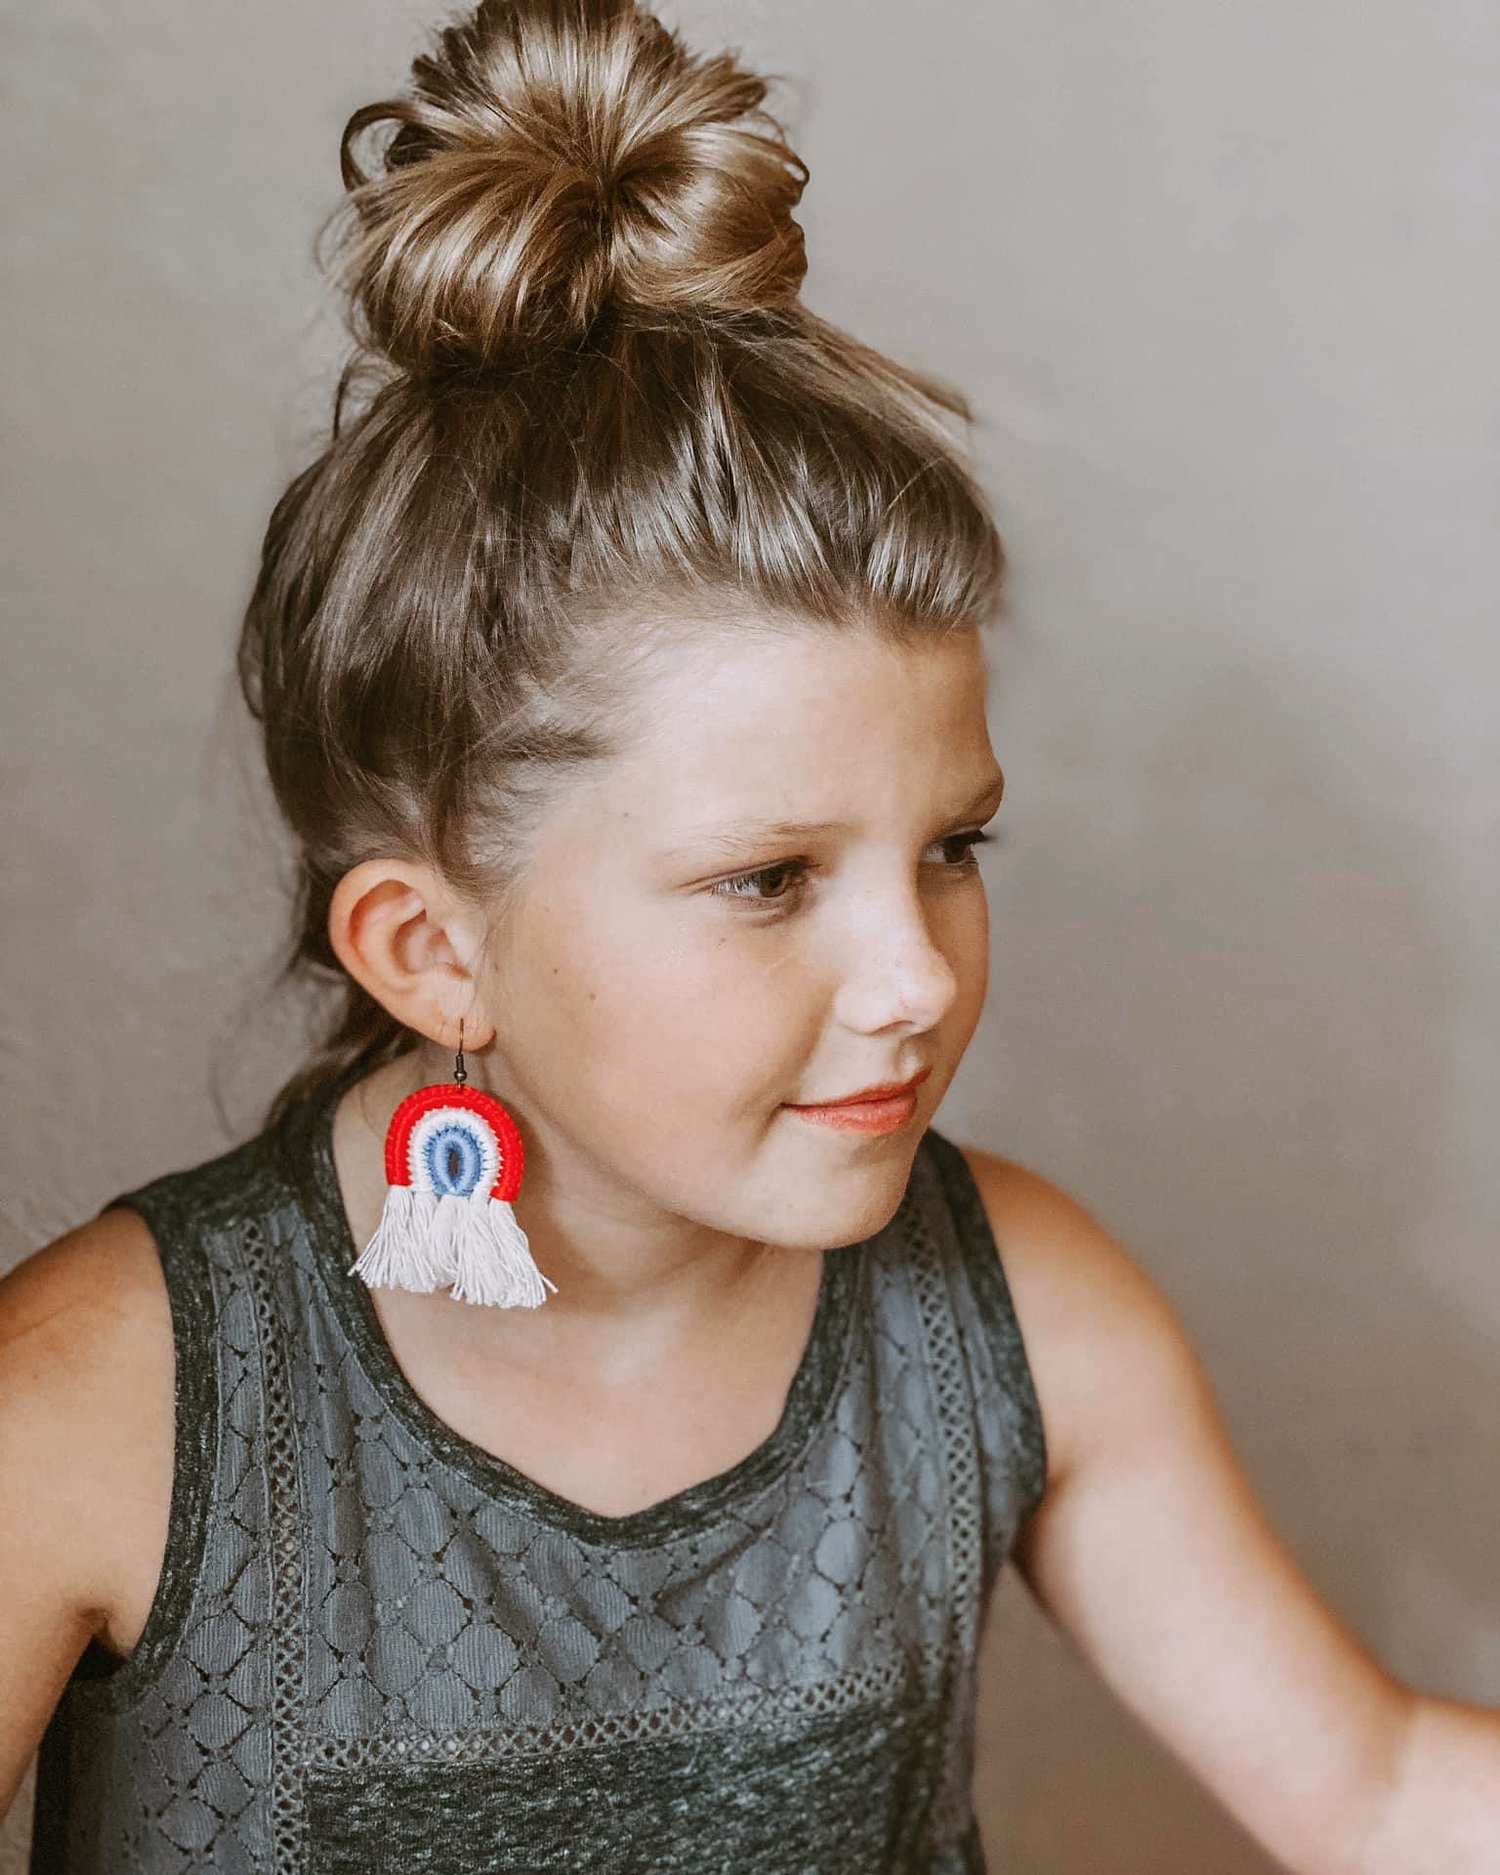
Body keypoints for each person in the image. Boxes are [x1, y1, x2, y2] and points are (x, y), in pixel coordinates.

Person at [2, 1, 1496, 1869]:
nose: (922, 978)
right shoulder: (88, 1406)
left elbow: (1369, 1792)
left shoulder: (1019, 1303)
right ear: (428, 950)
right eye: (769, 880)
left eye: (953, 846)